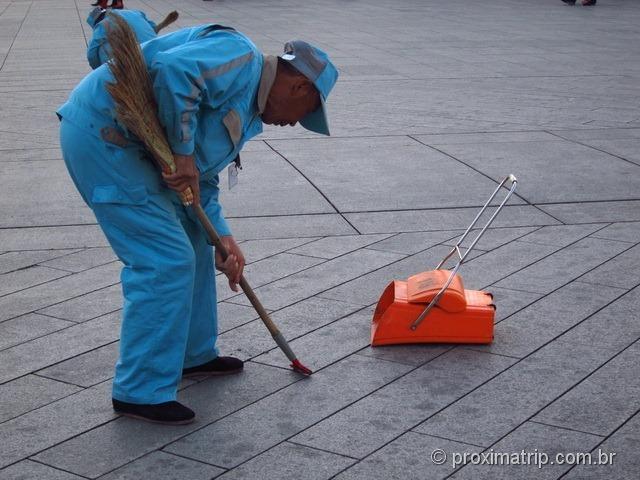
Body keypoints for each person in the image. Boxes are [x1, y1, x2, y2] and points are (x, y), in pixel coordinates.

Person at [57, 23, 338, 425]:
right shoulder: (239, 55)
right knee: (165, 260)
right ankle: (140, 390)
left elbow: (200, 178)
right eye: (308, 114)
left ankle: (193, 354)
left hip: (138, 150)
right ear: (299, 88)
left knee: (196, 245)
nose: (296, 124)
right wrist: (183, 153)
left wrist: (223, 237)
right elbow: (174, 73)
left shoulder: (249, 110)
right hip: (106, 140)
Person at [86, 7, 157, 69]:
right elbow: (153, 26)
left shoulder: (102, 24)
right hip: (155, 52)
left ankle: (110, 72)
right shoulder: (135, 12)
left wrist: (97, 70)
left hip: (136, 63)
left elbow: (91, 54)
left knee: (101, 47)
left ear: (97, 21)